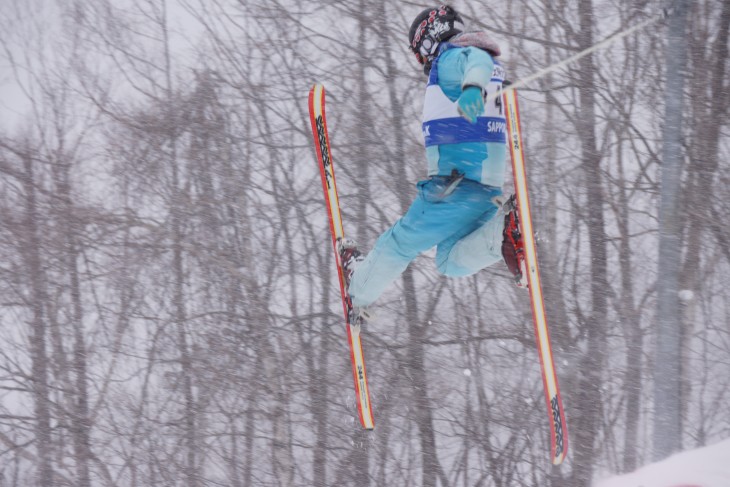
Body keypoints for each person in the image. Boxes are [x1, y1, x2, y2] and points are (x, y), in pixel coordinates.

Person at [339, 5, 525, 322]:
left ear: (428, 41)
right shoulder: (490, 70)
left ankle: (359, 289)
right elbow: (483, 67)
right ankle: (502, 237)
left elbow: (475, 60)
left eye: (418, 53)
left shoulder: (452, 57)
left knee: (399, 242)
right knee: (450, 260)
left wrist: (471, 88)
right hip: (485, 191)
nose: (422, 62)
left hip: (454, 187)